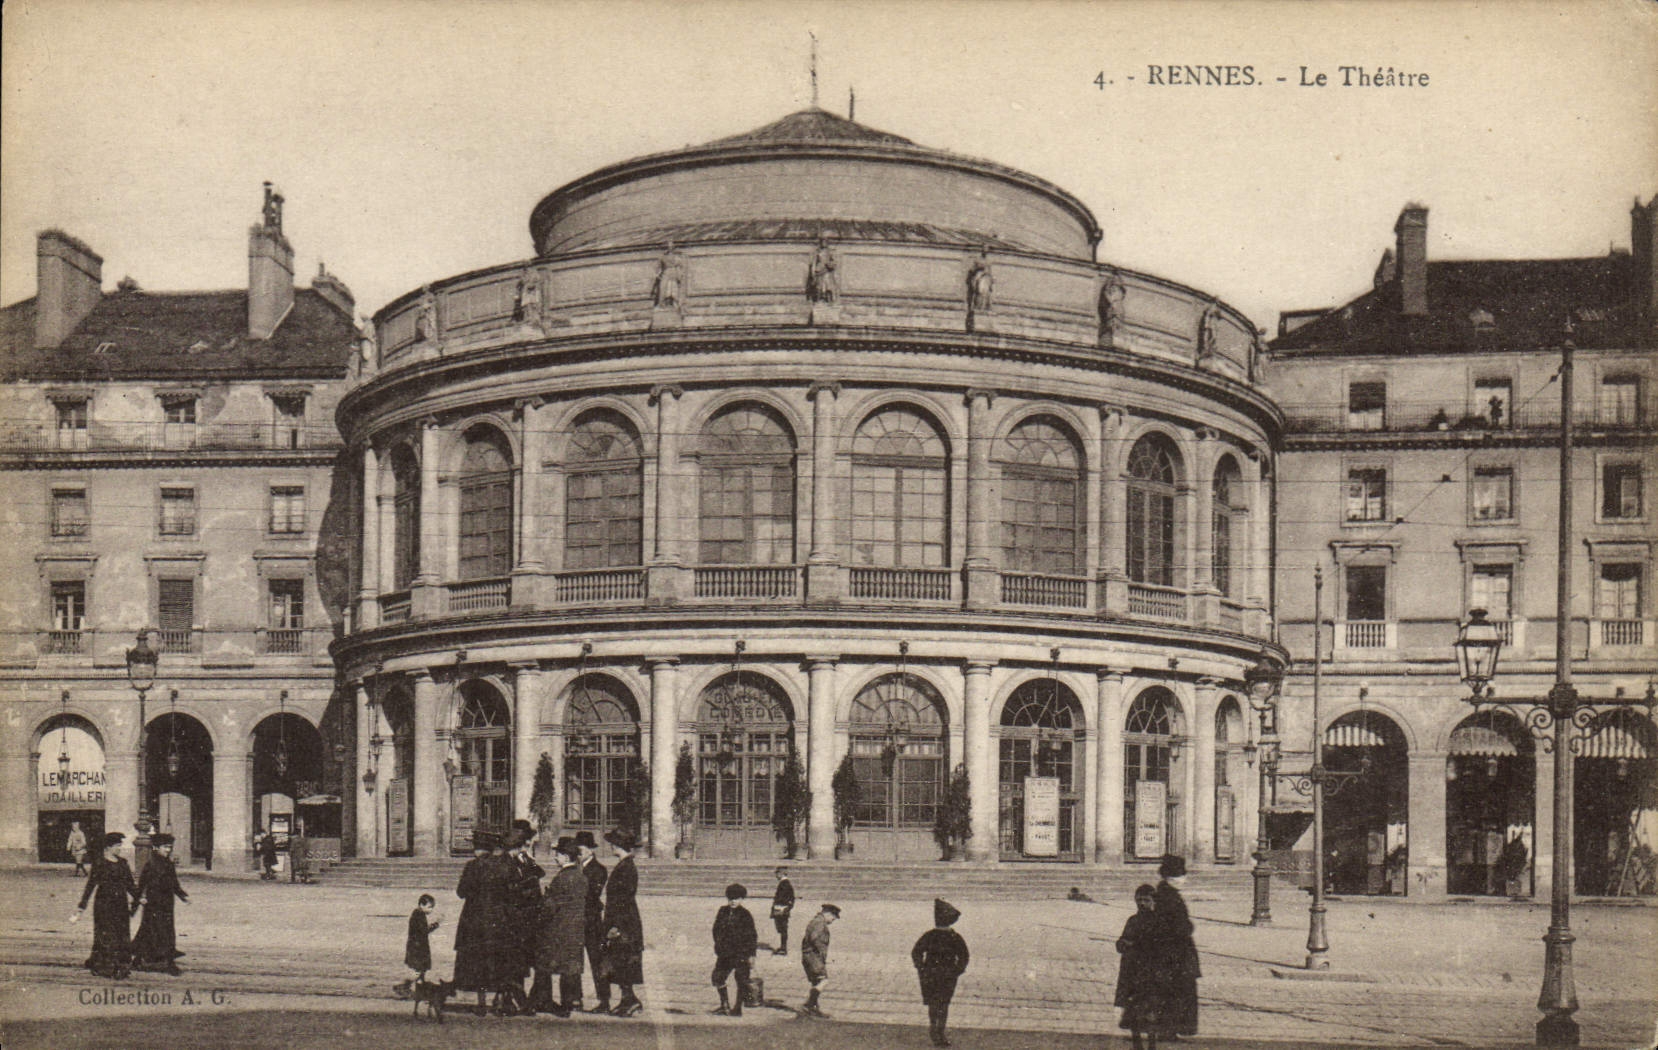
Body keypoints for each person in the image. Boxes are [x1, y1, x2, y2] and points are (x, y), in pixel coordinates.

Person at [454, 830, 511, 1015]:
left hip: (475, 921)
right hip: (499, 920)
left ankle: (481, 1002)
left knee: (478, 961)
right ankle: (500, 1000)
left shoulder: (473, 866)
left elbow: (461, 892)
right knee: (498, 960)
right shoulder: (504, 866)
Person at [71, 832, 137, 979]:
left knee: (121, 934)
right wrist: (82, 905)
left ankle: (120, 966)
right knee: (106, 935)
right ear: (108, 847)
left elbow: (130, 885)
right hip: (104, 904)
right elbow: (90, 886)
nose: (120, 848)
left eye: (120, 845)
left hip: (120, 904)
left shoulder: (123, 863)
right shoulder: (100, 863)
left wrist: (140, 897)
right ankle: (104, 966)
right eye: (117, 846)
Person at [1150, 854, 1200, 1041]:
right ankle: (1168, 1030)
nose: (1183, 879)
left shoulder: (1165, 894)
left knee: (1171, 990)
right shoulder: (1169, 897)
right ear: (1171, 877)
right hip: (1174, 953)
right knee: (1176, 990)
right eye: (1181, 876)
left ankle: (1168, 1029)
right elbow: (1178, 926)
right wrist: (1188, 927)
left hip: (1170, 951)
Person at [911, 898, 969, 1047]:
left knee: (933, 1003)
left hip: (930, 973)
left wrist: (921, 967)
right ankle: (940, 1032)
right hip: (948, 974)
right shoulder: (954, 937)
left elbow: (916, 952)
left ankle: (933, 1028)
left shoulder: (929, 935)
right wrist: (957, 970)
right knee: (944, 1003)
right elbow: (964, 956)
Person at [131, 832, 189, 975]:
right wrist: (135, 904)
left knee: (162, 931)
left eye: (169, 847)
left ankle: (139, 960)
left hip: (167, 903)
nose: (168, 850)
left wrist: (183, 896)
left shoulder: (168, 863)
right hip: (154, 903)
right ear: (156, 848)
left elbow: (174, 883)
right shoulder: (150, 864)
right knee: (153, 931)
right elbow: (141, 885)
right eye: (165, 847)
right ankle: (168, 963)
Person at [601, 828, 645, 1016]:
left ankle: (630, 1000)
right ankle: (628, 999)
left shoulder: (626, 867)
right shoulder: (624, 865)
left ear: (619, 845)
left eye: (613, 843)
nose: (611, 845)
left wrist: (616, 926)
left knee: (624, 961)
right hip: (624, 921)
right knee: (620, 961)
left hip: (624, 924)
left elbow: (624, 900)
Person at [502, 825, 543, 1013]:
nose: (528, 846)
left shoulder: (524, 860)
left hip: (525, 919)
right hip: (512, 919)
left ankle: (517, 998)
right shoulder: (506, 863)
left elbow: (537, 873)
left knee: (520, 962)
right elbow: (508, 890)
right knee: (513, 961)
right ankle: (513, 1000)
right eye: (525, 843)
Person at [1115, 884, 1160, 1050]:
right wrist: (1121, 944)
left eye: (1146, 900)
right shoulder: (1132, 920)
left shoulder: (1159, 921)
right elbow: (1122, 940)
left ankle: (1152, 1045)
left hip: (1151, 972)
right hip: (1132, 971)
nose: (1142, 903)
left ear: (1153, 901)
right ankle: (1137, 1044)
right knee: (1133, 1010)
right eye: (1139, 899)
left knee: (1151, 1012)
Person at [575, 831, 611, 1013]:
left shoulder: (598, 869)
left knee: (597, 961)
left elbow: (591, 895)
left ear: (590, 850)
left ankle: (604, 1000)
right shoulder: (575, 868)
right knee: (574, 960)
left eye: (580, 850)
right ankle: (575, 998)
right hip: (576, 920)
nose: (578, 854)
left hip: (591, 921)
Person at [711, 883, 757, 1016]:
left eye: (736, 898)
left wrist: (752, 955)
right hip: (725, 953)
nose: (733, 901)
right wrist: (718, 944)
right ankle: (724, 1005)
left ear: (742, 899)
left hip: (741, 953)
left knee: (741, 981)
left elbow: (752, 936)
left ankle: (737, 1008)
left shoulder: (745, 915)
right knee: (717, 977)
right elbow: (716, 929)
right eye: (730, 898)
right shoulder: (722, 911)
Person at [800, 903, 840, 1018]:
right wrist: (821, 952)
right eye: (833, 917)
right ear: (827, 913)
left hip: (809, 956)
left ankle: (814, 1008)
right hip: (814, 957)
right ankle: (809, 1004)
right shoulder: (819, 923)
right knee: (823, 981)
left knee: (816, 982)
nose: (833, 920)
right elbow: (814, 938)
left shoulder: (815, 921)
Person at [399, 893, 440, 997]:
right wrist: (435, 925)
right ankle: (404, 985)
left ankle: (418, 990)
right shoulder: (419, 915)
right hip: (418, 948)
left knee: (421, 970)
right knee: (419, 970)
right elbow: (424, 931)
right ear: (421, 905)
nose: (431, 910)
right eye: (430, 907)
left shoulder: (417, 914)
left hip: (416, 946)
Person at [770, 866, 795, 956]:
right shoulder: (785, 883)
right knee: (782, 929)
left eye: (777, 873)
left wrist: (785, 907)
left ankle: (783, 948)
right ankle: (783, 947)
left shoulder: (784, 883)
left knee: (782, 929)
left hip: (781, 909)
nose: (776, 875)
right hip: (782, 909)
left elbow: (785, 898)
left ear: (781, 873)